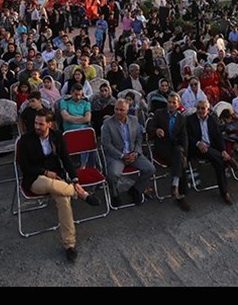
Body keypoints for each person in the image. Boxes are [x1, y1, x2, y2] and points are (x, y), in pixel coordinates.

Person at [17, 108, 99, 263]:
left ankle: (69, 245)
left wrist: (74, 179)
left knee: (63, 200)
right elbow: (24, 166)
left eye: (40, 124)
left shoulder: (57, 136)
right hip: (34, 178)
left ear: (49, 124)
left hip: (57, 178)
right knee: (49, 183)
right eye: (35, 123)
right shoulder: (25, 139)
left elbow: (66, 159)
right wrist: (45, 172)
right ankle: (80, 194)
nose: (36, 127)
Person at [101, 99, 155, 207]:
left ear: (127, 110)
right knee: (113, 174)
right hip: (117, 156)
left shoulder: (134, 120)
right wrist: (122, 156)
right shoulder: (108, 124)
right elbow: (107, 145)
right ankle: (115, 195)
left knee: (150, 168)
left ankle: (136, 190)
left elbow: (139, 139)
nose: (118, 112)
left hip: (133, 153)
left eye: (122, 110)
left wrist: (136, 152)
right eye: (116, 109)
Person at [146, 93, 191, 211]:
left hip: (175, 149)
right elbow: (149, 127)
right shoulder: (159, 114)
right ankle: (180, 192)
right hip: (162, 148)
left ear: (178, 104)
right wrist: (156, 131)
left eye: (173, 102)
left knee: (180, 155)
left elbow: (184, 137)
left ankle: (177, 190)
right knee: (180, 159)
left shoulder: (181, 119)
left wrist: (186, 155)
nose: (171, 104)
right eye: (169, 102)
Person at [185, 100, 234, 205]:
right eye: (198, 108)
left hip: (211, 147)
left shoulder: (212, 119)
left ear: (208, 109)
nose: (200, 111)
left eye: (203, 108)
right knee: (219, 159)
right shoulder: (190, 120)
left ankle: (224, 192)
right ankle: (228, 162)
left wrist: (223, 150)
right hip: (196, 149)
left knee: (219, 162)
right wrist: (198, 143)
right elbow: (187, 137)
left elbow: (218, 136)